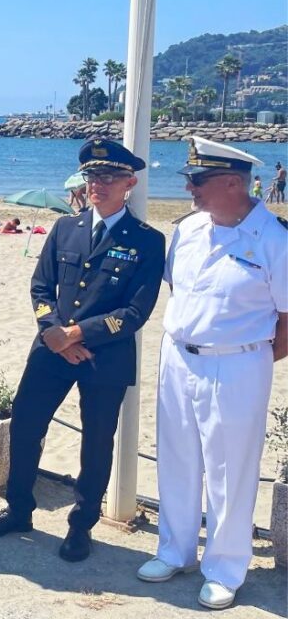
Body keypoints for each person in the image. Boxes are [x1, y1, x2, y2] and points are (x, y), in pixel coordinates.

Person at [0, 139, 165, 564]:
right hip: (51, 349)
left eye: (109, 177)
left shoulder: (148, 241)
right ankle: (18, 510)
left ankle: (81, 525)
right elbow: (41, 287)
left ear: (130, 183)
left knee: (96, 442)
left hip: (104, 357)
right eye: (92, 176)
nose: (98, 184)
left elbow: (135, 311)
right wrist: (53, 332)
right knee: (25, 425)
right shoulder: (65, 228)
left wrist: (76, 335)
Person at [136, 137, 286, 610]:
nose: (190, 189)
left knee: (230, 470)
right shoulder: (188, 230)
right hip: (179, 356)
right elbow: (180, 291)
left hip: (238, 363)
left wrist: (247, 358)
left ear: (233, 184)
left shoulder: (275, 240)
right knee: (177, 457)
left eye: (198, 181)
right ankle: (174, 551)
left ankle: (224, 568)